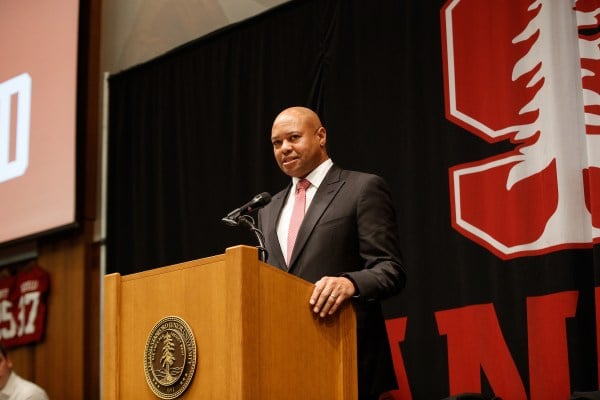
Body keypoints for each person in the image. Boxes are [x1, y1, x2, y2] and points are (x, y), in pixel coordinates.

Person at [258, 106, 406, 400]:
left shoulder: (361, 188)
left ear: (321, 136)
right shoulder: (268, 209)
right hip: (284, 365)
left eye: (294, 137)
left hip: (346, 356)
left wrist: (350, 283)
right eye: (277, 143)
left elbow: (390, 269)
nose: (285, 148)